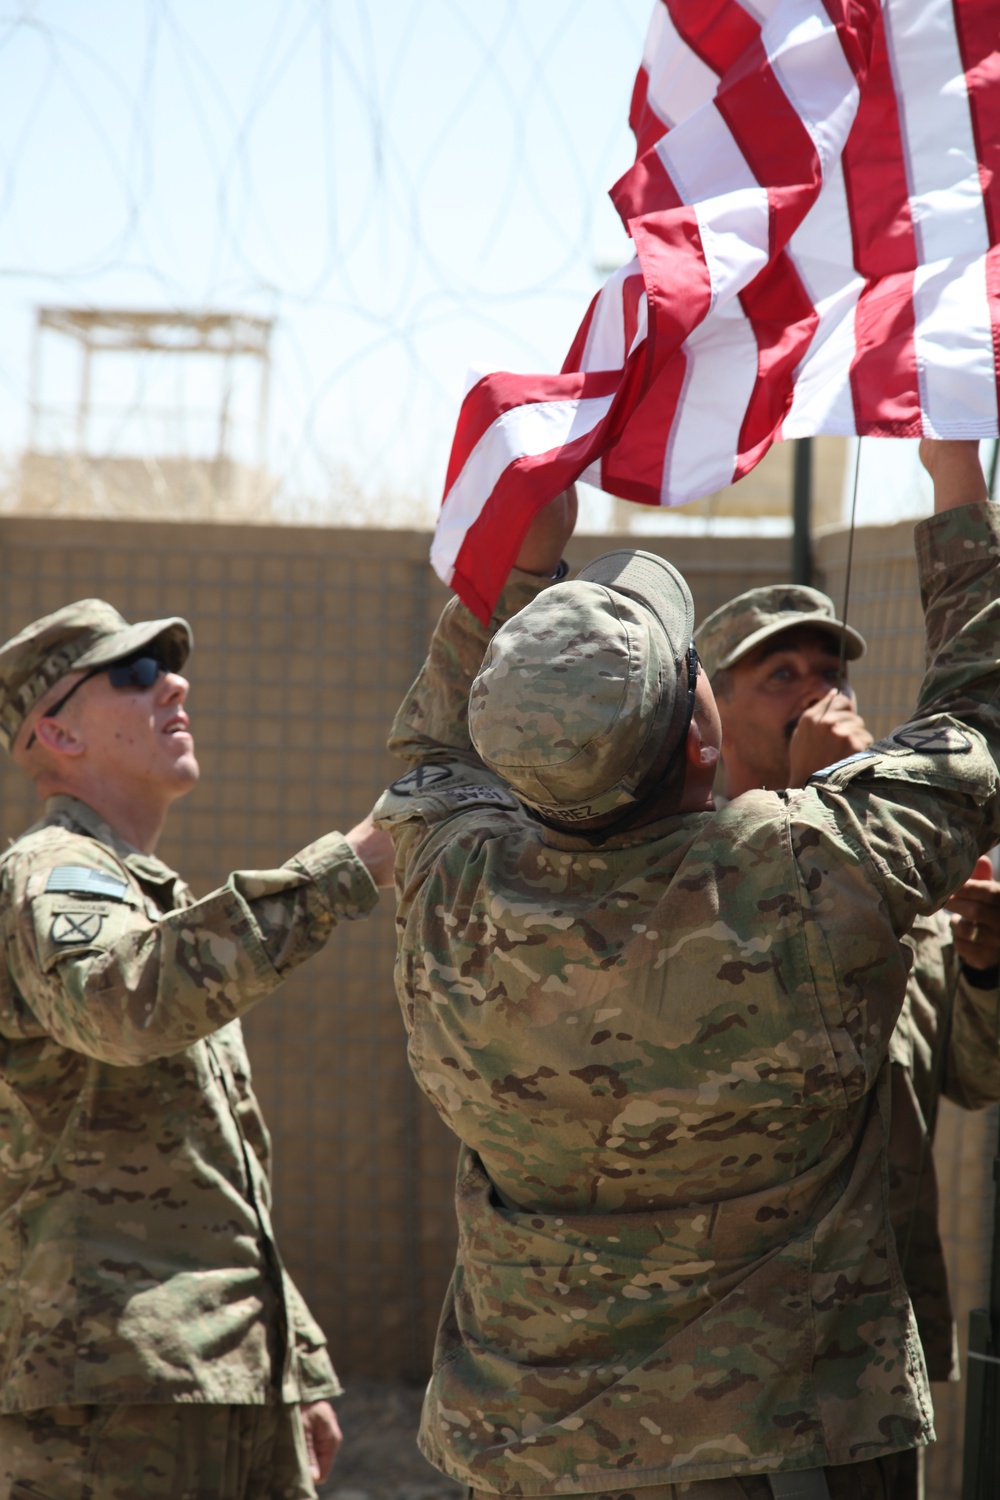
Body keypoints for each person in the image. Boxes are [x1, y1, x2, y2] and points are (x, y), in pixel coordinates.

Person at [373, 440, 1000, 1500]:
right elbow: (975, 722)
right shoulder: (800, 872)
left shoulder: (450, 888)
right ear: (698, 742)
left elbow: (432, 759)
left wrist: (514, 565)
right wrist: (956, 485)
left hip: (533, 1451)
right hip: (780, 1443)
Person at [0, 598, 393, 1500]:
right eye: (133, 675)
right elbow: (121, 1005)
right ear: (55, 734)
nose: (172, 683)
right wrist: (344, 872)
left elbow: (209, 1169)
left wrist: (290, 1362)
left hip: (215, 1378)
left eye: (167, 668)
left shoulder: (143, 898)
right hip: (112, 1390)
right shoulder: (52, 872)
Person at [693, 583, 1000, 1496]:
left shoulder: (893, 892)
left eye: (829, 672)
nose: (817, 693)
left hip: (866, 1347)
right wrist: (805, 798)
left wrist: (985, 963)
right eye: (778, 675)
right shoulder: (682, 869)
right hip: (720, 1357)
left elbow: (972, 1078)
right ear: (711, 713)